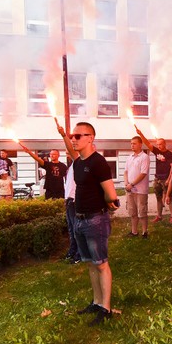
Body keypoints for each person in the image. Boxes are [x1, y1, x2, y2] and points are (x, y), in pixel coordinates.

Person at [68, 122, 119, 326]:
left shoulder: (98, 162)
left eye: (79, 136)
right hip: (79, 219)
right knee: (90, 263)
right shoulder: (78, 163)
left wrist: (109, 202)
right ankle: (97, 302)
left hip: (95, 219)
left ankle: (105, 308)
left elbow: (112, 194)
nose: (74, 139)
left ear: (91, 138)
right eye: (73, 135)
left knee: (101, 264)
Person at [134, 128, 172, 222]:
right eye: (158, 144)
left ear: (165, 144)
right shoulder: (157, 151)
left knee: (169, 198)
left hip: (166, 179)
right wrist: (141, 134)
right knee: (158, 198)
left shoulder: (170, 155)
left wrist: (169, 179)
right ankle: (159, 216)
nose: (159, 146)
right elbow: (147, 143)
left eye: (160, 144)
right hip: (157, 178)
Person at [57, 126, 81, 264]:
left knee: (77, 229)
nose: (71, 146)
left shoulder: (79, 161)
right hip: (69, 200)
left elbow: (72, 151)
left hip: (75, 201)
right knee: (71, 229)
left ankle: (79, 254)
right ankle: (72, 251)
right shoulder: (72, 165)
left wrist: (63, 135)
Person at [124, 136, 150, 238]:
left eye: (134, 143)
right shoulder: (129, 157)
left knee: (142, 211)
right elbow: (125, 171)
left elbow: (143, 173)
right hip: (130, 190)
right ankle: (134, 231)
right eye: (131, 143)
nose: (132, 145)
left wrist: (132, 184)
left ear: (140, 144)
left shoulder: (144, 157)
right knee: (132, 211)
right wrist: (126, 183)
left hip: (141, 190)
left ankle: (144, 232)